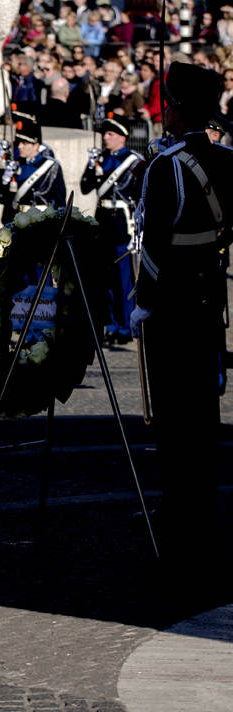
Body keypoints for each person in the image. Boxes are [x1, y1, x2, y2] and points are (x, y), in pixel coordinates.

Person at [131, 63, 233, 565]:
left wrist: (143, 300)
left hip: (171, 303)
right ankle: (204, 507)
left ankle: (178, 509)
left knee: (173, 413)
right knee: (204, 410)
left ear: (176, 110)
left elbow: (154, 244)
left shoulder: (166, 165)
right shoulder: (226, 160)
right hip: (209, 294)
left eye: (168, 104)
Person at [80, 116, 144, 345]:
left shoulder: (134, 161)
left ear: (122, 137)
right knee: (105, 278)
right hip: (103, 222)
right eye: (104, 134)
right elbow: (85, 187)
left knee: (123, 279)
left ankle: (126, 326)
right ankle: (111, 324)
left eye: (110, 134)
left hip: (122, 224)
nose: (105, 138)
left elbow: (140, 195)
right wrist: (91, 167)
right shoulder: (101, 159)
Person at [0, 115, 65, 223]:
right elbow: (1, 198)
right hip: (18, 223)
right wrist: (5, 181)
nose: (19, 146)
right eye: (19, 142)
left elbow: (60, 203)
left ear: (36, 145)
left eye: (24, 143)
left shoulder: (51, 166)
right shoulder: (13, 165)